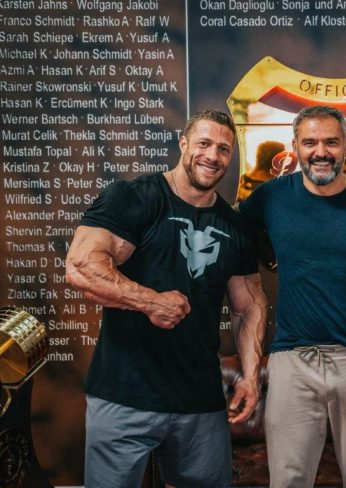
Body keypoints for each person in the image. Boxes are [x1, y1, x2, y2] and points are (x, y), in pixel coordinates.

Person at [66, 110, 267, 488]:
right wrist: (149, 301)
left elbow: (249, 306)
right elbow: (81, 266)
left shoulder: (235, 226)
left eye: (224, 149)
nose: (213, 155)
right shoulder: (135, 198)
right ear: (184, 144)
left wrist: (251, 377)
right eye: (204, 144)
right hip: (124, 395)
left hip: (200, 400)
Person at [238, 105, 346, 487]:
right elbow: (231, 230)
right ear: (295, 146)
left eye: (331, 142)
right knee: (287, 480)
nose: (321, 151)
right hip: (294, 359)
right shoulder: (270, 197)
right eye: (310, 142)